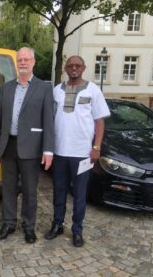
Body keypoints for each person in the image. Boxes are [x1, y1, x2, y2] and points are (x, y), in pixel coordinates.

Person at [44, 56, 110, 247]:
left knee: (80, 194)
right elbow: (49, 120)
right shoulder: (57, 90)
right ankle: (57, 224)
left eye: (77, 65)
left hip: (82, 154)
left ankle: (77, 230)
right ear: (65, 68)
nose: (74, 68)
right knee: (59, 191)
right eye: (70, 65)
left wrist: (96, 147)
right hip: (59, 152)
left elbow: (99, 121)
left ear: (84, 67)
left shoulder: (93, 90)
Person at [0, 47, 54, 244]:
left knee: (29, 190)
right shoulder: (7, 87)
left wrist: (48, 150)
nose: (23, 63)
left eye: (27, 59)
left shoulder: (44, 88)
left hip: (32, 147)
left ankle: (29, 227)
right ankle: (9, 223)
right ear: (16, 63)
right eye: (20, 60)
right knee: (8, 188)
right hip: (8, 145)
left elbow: (48, 121)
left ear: (33, 62)